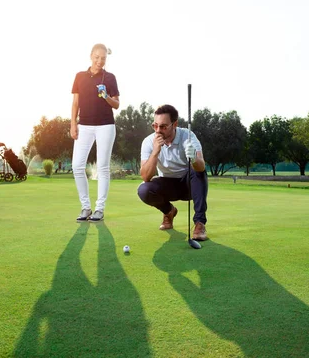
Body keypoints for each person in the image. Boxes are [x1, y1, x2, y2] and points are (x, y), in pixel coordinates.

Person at [137, 104, 209, 241]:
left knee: (197, 172)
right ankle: (169, 211)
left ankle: (200, 223)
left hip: (189, 185)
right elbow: (145, 176)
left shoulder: (188, 136)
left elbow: (201, 167)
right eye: (155, 126)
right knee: (144, 189)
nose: (158, 130)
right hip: (167, 185)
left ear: (174, 124)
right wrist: (155, 151)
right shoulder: (148, 141)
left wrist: (193, 157)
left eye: (163, 126)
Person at [71, 43, 120, 222]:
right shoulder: (79, 76)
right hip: (84, 125)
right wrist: (72, 124)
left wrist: (106, 96)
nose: (100, 61)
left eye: (103, 58)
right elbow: (75, 103)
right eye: (97, 57)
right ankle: (85, 207)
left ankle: (99, 209)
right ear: (91, 56)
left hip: (105, 126)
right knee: (77, 166)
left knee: (103, 167)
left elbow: (117, 104)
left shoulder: (110, 78)